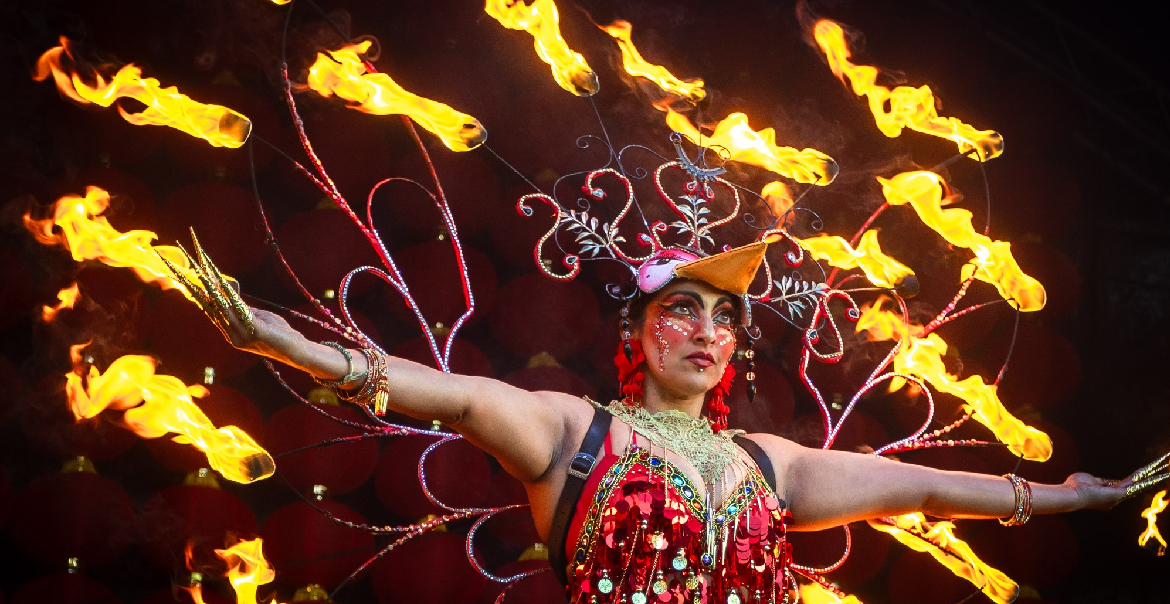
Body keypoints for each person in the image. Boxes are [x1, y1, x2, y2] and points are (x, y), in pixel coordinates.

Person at [170, 233, 1141, 604]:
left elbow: (928, 486)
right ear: (637, 331)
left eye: (725, 317)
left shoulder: (770, 463)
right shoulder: (572, 431)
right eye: (683, 308)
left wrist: (1066, 497)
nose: (708, 330)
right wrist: (292, 349)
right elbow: (454, 393)